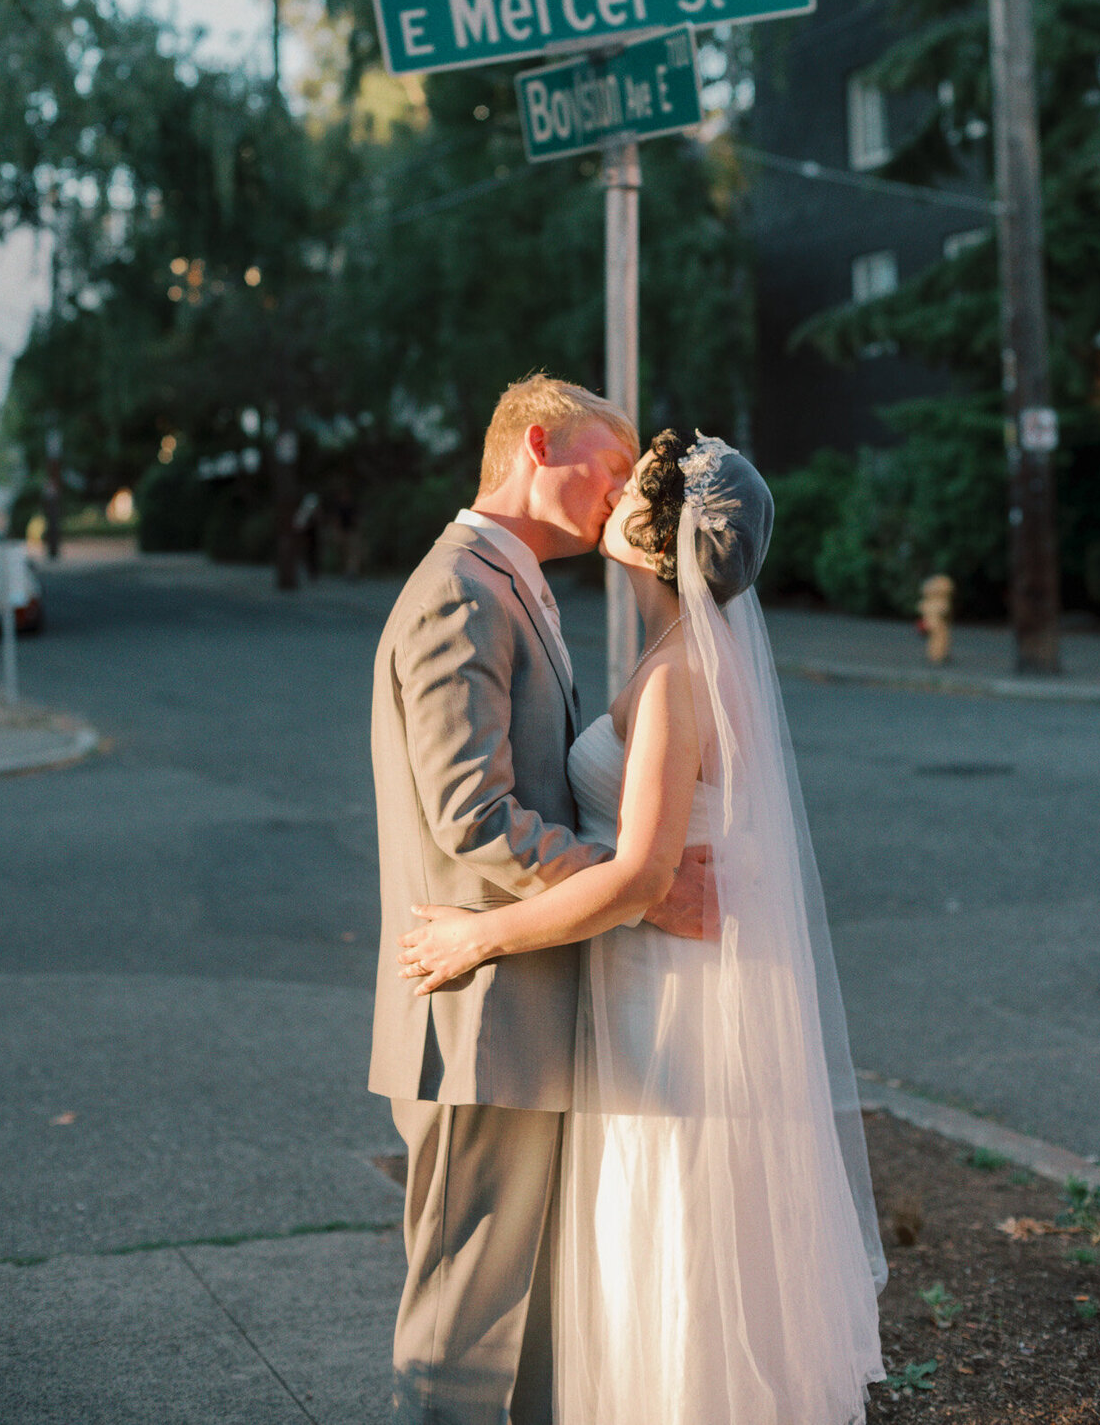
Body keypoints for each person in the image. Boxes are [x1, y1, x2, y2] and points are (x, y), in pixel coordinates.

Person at [399, 429, 888, 1425]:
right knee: (655, 1245)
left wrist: (476, 937)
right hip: (650, 988)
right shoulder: (673, 660)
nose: (618, 488)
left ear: (654, 542)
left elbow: (639, 878)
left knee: (669, 1246)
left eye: (639, 486)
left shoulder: (676, 681)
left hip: (669, 1009)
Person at [368, 378, 714, 1425]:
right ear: (537, 442)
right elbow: (472, 816)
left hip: (522, 1010)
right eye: (608, 467)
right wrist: (639, 890)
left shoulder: (509, 584)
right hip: (481, 1013)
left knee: (523, 1335)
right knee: (463, 1338)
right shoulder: (458, 592)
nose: (621, 494)